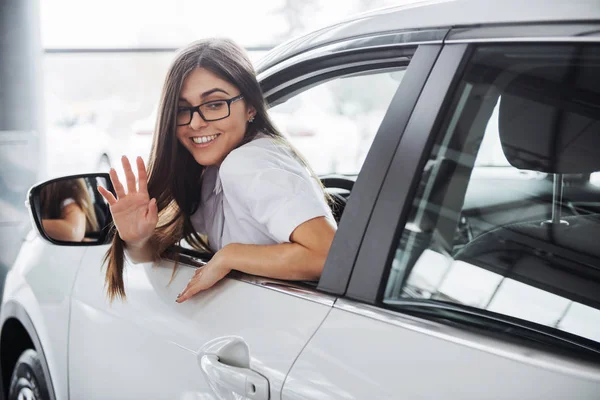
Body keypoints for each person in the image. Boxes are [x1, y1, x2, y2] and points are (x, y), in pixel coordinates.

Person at [98, 38, 337, 303]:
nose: (196, 123)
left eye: (214, 104)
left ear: (250, 107)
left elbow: (328, 257)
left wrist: (230, 255)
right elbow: (148, 254)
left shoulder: (245, 163)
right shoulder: (213, 172)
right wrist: (137, 238)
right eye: (182, 109)